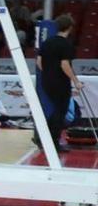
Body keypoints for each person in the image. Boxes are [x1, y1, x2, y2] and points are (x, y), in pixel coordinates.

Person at [37, 13, 78, 154]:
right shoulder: (66, 44)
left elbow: (39, 62)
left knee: (56, 111)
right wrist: (76, 81)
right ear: (70, 28)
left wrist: (49, 73)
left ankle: (43, 139)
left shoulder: (47, 42)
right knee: (60, 113)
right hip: (60, 82)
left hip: (47, 81)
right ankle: (52, 143)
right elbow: (65, 64)